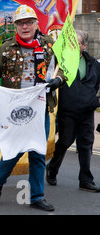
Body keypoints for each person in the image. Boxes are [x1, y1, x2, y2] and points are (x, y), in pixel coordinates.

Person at [0, 4, 66, 211]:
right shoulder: (7, 46)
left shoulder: (48, 44)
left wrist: (58, 81)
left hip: (40, 106)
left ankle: (37, 196)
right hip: (15, 106)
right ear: (16, 26)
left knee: (38, 151)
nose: (25, 26)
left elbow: (62, 67)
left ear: (36, 23)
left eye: (29, 22)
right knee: (15, 150)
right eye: (20, 23)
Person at [46, 30, 100, 192]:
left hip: (87, 111)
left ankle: (85, 180)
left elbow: (95, 85)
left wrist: (90, 100)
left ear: (84, 45)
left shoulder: (94, 64)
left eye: (76, 43)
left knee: (86, 144)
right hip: (68, 109)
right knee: (65, 141)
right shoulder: (62, 61)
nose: (72, 46)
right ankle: (52, 169)